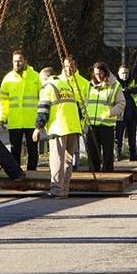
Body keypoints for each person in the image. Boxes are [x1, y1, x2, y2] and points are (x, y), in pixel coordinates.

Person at [35, 61, 84, 198]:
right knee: (68, 161)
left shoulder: (47, 87)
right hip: (73, 127)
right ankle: (64, 189)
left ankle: (56, 190)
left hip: (59, 127)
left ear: (44, 78)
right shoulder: (66, 85)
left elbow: (43, 110)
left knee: (57, 160)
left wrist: (38, 128)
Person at [0, 50, 40, 172]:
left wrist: (41, 119)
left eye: (20, 61)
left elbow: (43, 97)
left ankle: (32, 173)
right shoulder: (8, 78)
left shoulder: (35, 77)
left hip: (31, 120)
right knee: (15, 149)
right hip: (15, 121)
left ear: (25, 61)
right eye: (15, 61)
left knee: (32, 150)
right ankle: (16, 174)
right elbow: (2, 99)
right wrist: (2, 117)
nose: (17, 64)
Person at [83, 62, 125, 173]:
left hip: (107, 125)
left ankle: (108, 174)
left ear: (105, 73)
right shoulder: (89, 86)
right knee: (92, 153)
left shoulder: (114, 86)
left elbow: (121, 103)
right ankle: (94, 173)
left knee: (107, 154)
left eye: (100, 73)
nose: (98, 76)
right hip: (92, 125)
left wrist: (109, 112)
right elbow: (85, 102)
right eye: (96, 74)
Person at [115, 65, 137, 161]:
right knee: (118, 136)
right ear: (118, 73)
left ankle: (133, 154)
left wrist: (128, 90)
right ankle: (117, 155)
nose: (125, 75)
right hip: (120, 114)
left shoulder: (132, 81)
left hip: (132, 114)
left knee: (132, 136)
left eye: (127, 73)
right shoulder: (116, 83)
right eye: (123, 73)